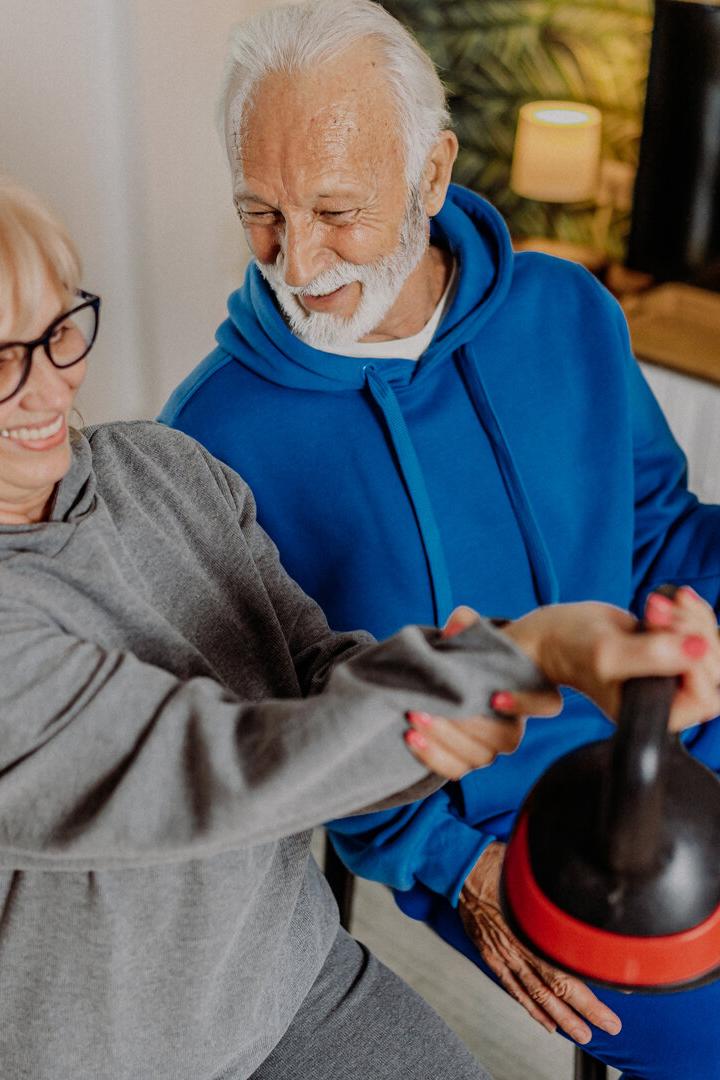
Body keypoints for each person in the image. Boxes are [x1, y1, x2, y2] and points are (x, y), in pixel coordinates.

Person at [4, 179, 715, 1080]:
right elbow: (231, 764)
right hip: (111, 1057)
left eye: (63, 329)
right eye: (1, 358)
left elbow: (312, 669)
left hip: (292, 981)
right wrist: (528, 653)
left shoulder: (164, 467)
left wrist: (476, 670)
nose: (50, 385)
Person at [159, 2, 720, 1077]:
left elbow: (653, 532)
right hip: (493, 830)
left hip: (660, 723)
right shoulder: (209, 437)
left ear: (432, 173)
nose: (298, 260)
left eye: (335, 208)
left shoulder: (568, 311)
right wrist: (454, 864)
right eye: (260, 212)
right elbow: (271, 741)